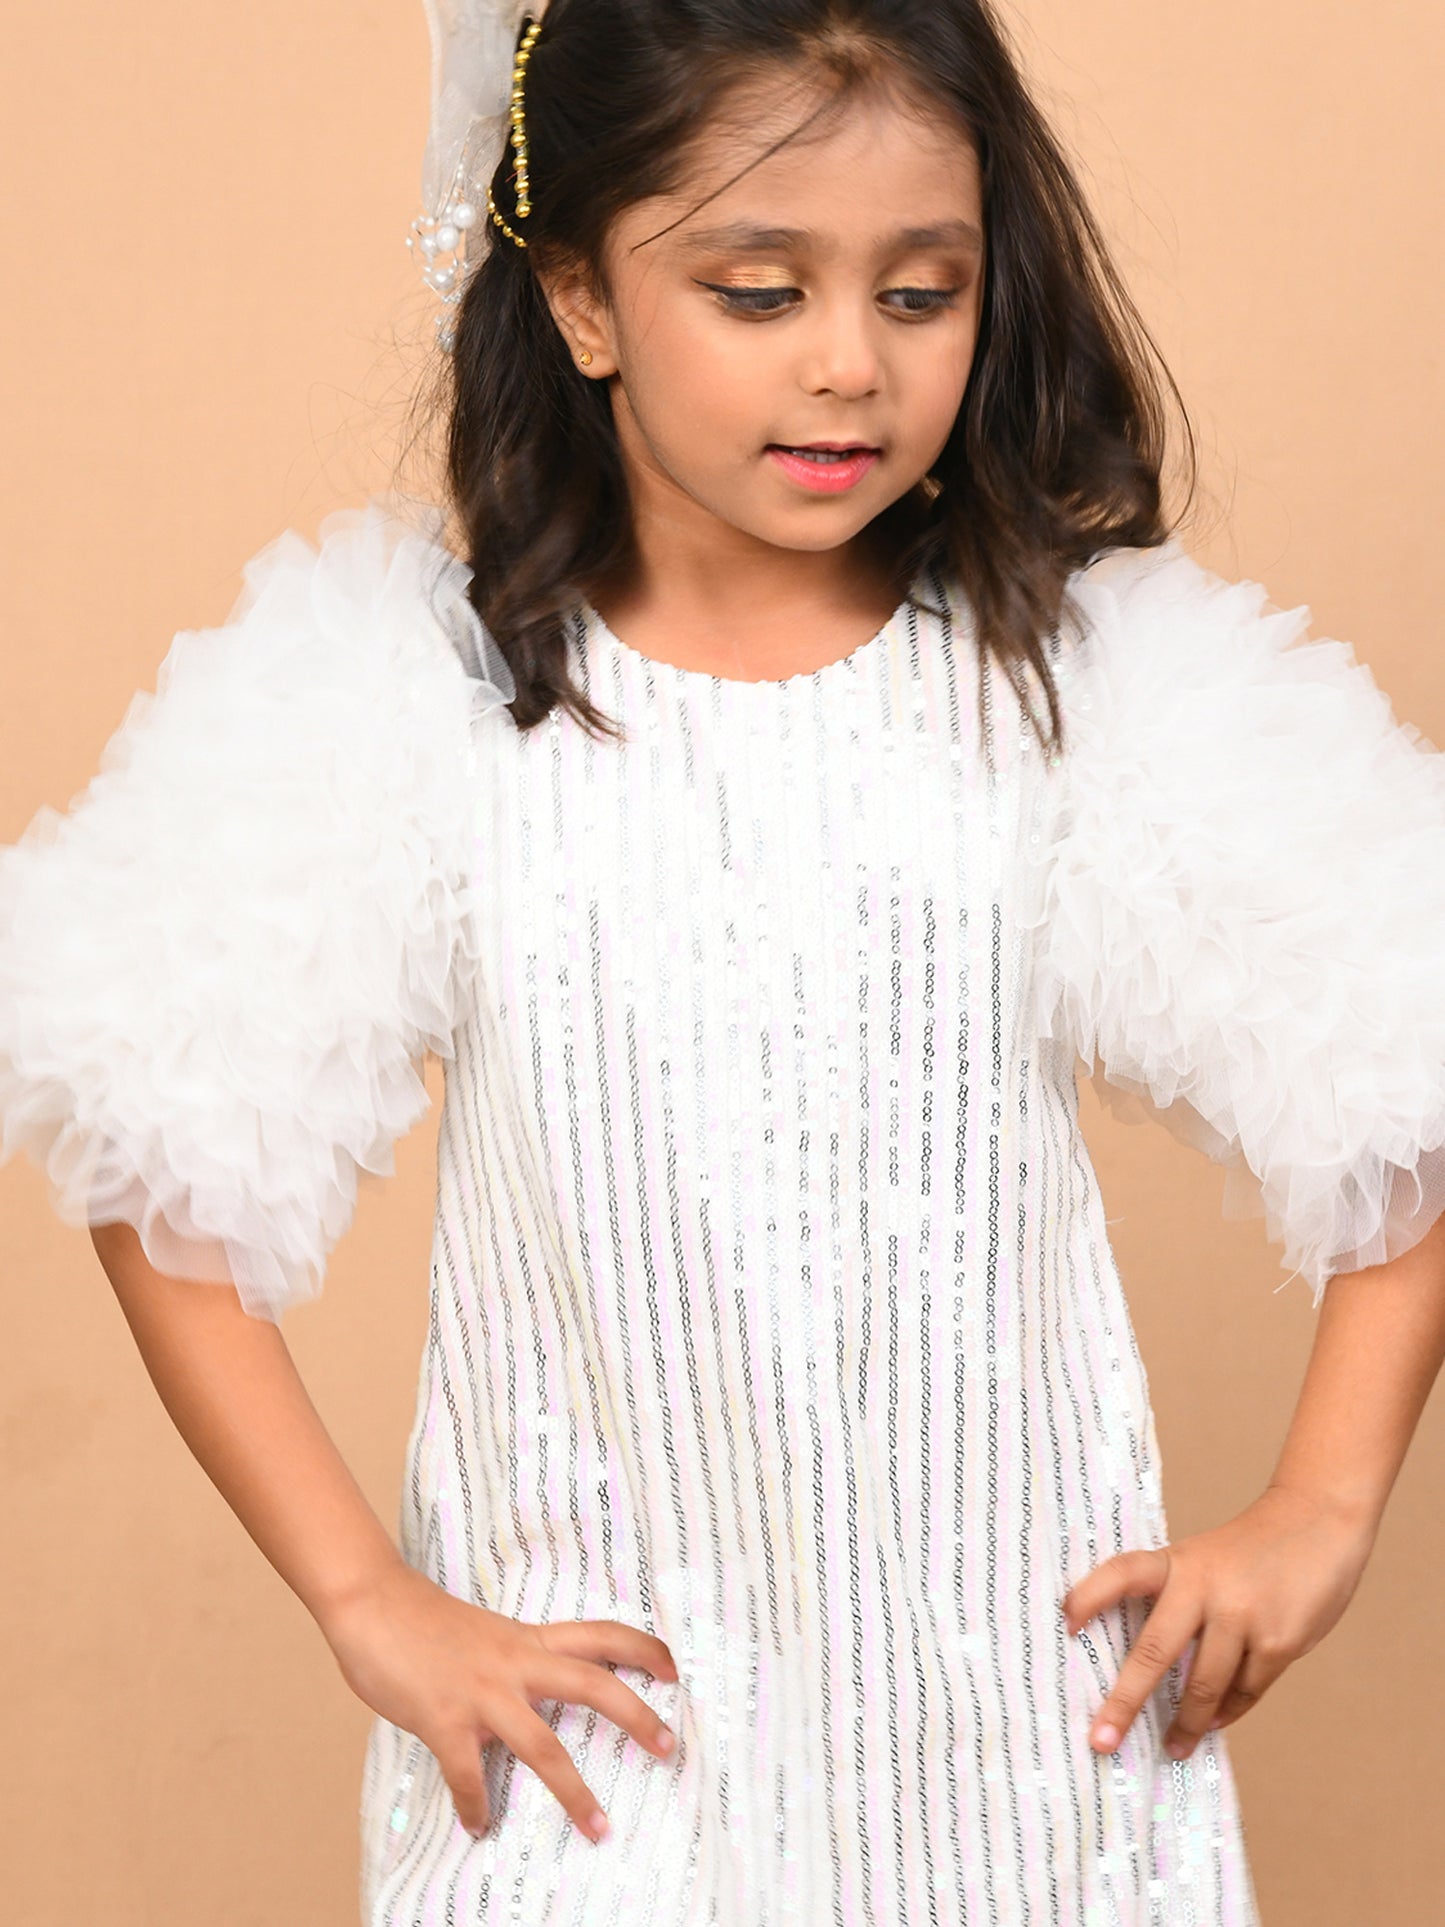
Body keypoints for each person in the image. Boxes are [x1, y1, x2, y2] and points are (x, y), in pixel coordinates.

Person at [3, 0, 1444, 1919]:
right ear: (581, 298)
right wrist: (370, 1601)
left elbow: (1406, 1049)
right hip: (607, 1778)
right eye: (760, 291)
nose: (849, 365)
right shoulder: (416, 709)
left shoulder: (1067, 697)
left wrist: (1320, 1508)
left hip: (1012, 1769)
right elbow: (146, 1123)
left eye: (921, 294)